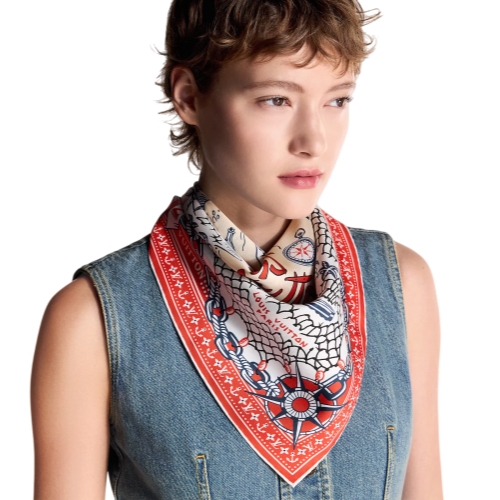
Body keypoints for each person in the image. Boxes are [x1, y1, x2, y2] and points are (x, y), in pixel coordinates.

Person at [31, 0, 443, 498]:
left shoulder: (399, 285)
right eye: (276, 99)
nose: (313, 140)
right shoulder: (95, 317)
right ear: (189, 97)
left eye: (337, 100)